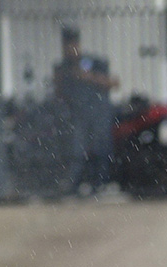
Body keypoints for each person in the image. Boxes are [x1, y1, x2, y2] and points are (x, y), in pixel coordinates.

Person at [54, 26, 119, 194]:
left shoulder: (94, 62)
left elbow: (113, 83)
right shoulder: (63, 67)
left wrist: (88, 77)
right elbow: (59, 93)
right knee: (78, 151)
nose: (70, 50)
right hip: (78, 116)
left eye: (73, 45)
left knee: (101, 149)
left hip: (98, 113)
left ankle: (101, 183)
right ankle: (75, 185)